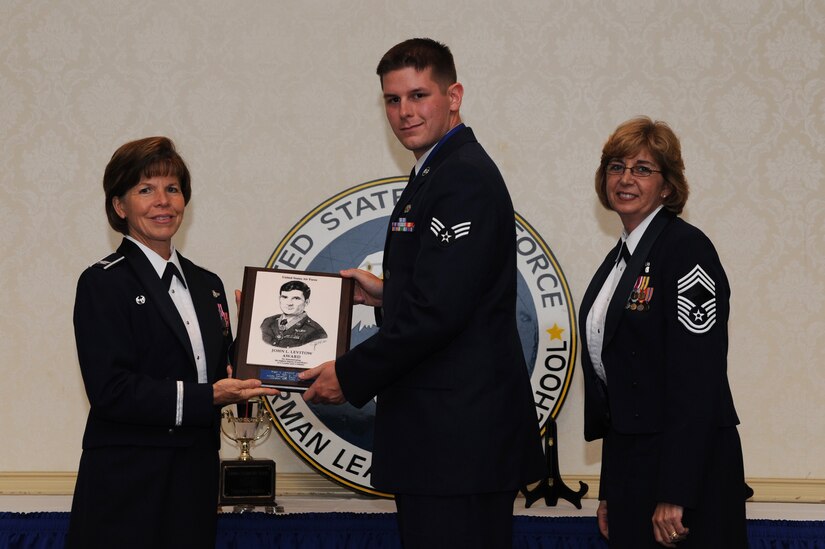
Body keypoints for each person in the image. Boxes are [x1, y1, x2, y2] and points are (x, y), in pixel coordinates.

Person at [299, 38, 545, 548]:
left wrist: (348, 373)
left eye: (418, 95)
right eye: (393, 100)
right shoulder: (436, 171)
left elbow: (439, 312)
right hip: (445, 440)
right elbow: (454, 292)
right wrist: (387, 294)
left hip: (458, 443)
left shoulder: (462, 179)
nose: (405, 112)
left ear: (453, 95)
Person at [67, 137, 278, 549]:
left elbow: (220, 375)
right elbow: (110, 390)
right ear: (120, 206)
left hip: (194, 478)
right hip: (127, 482)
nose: (162, 201)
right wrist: (207, 396)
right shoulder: (103, 282)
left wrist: (258, 336)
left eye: (172, 189)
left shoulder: (208, 284)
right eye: (145, 189)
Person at [579, 117, 747, 548]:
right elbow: (618, 392)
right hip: (634, 470)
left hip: (686, 477)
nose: (625, 178)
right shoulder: (619, 260)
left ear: (668, 187)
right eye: (616, 167)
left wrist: (675, 494)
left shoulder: (686, 251)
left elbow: (697, 383)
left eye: (642, 169)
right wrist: (610, 490)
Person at [261, 280, 328, 348]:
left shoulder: (316, 332)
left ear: (306, 302)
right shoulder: (267, 322)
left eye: (296, 298)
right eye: (284, 297)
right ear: (279, 299)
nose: (289, 303)